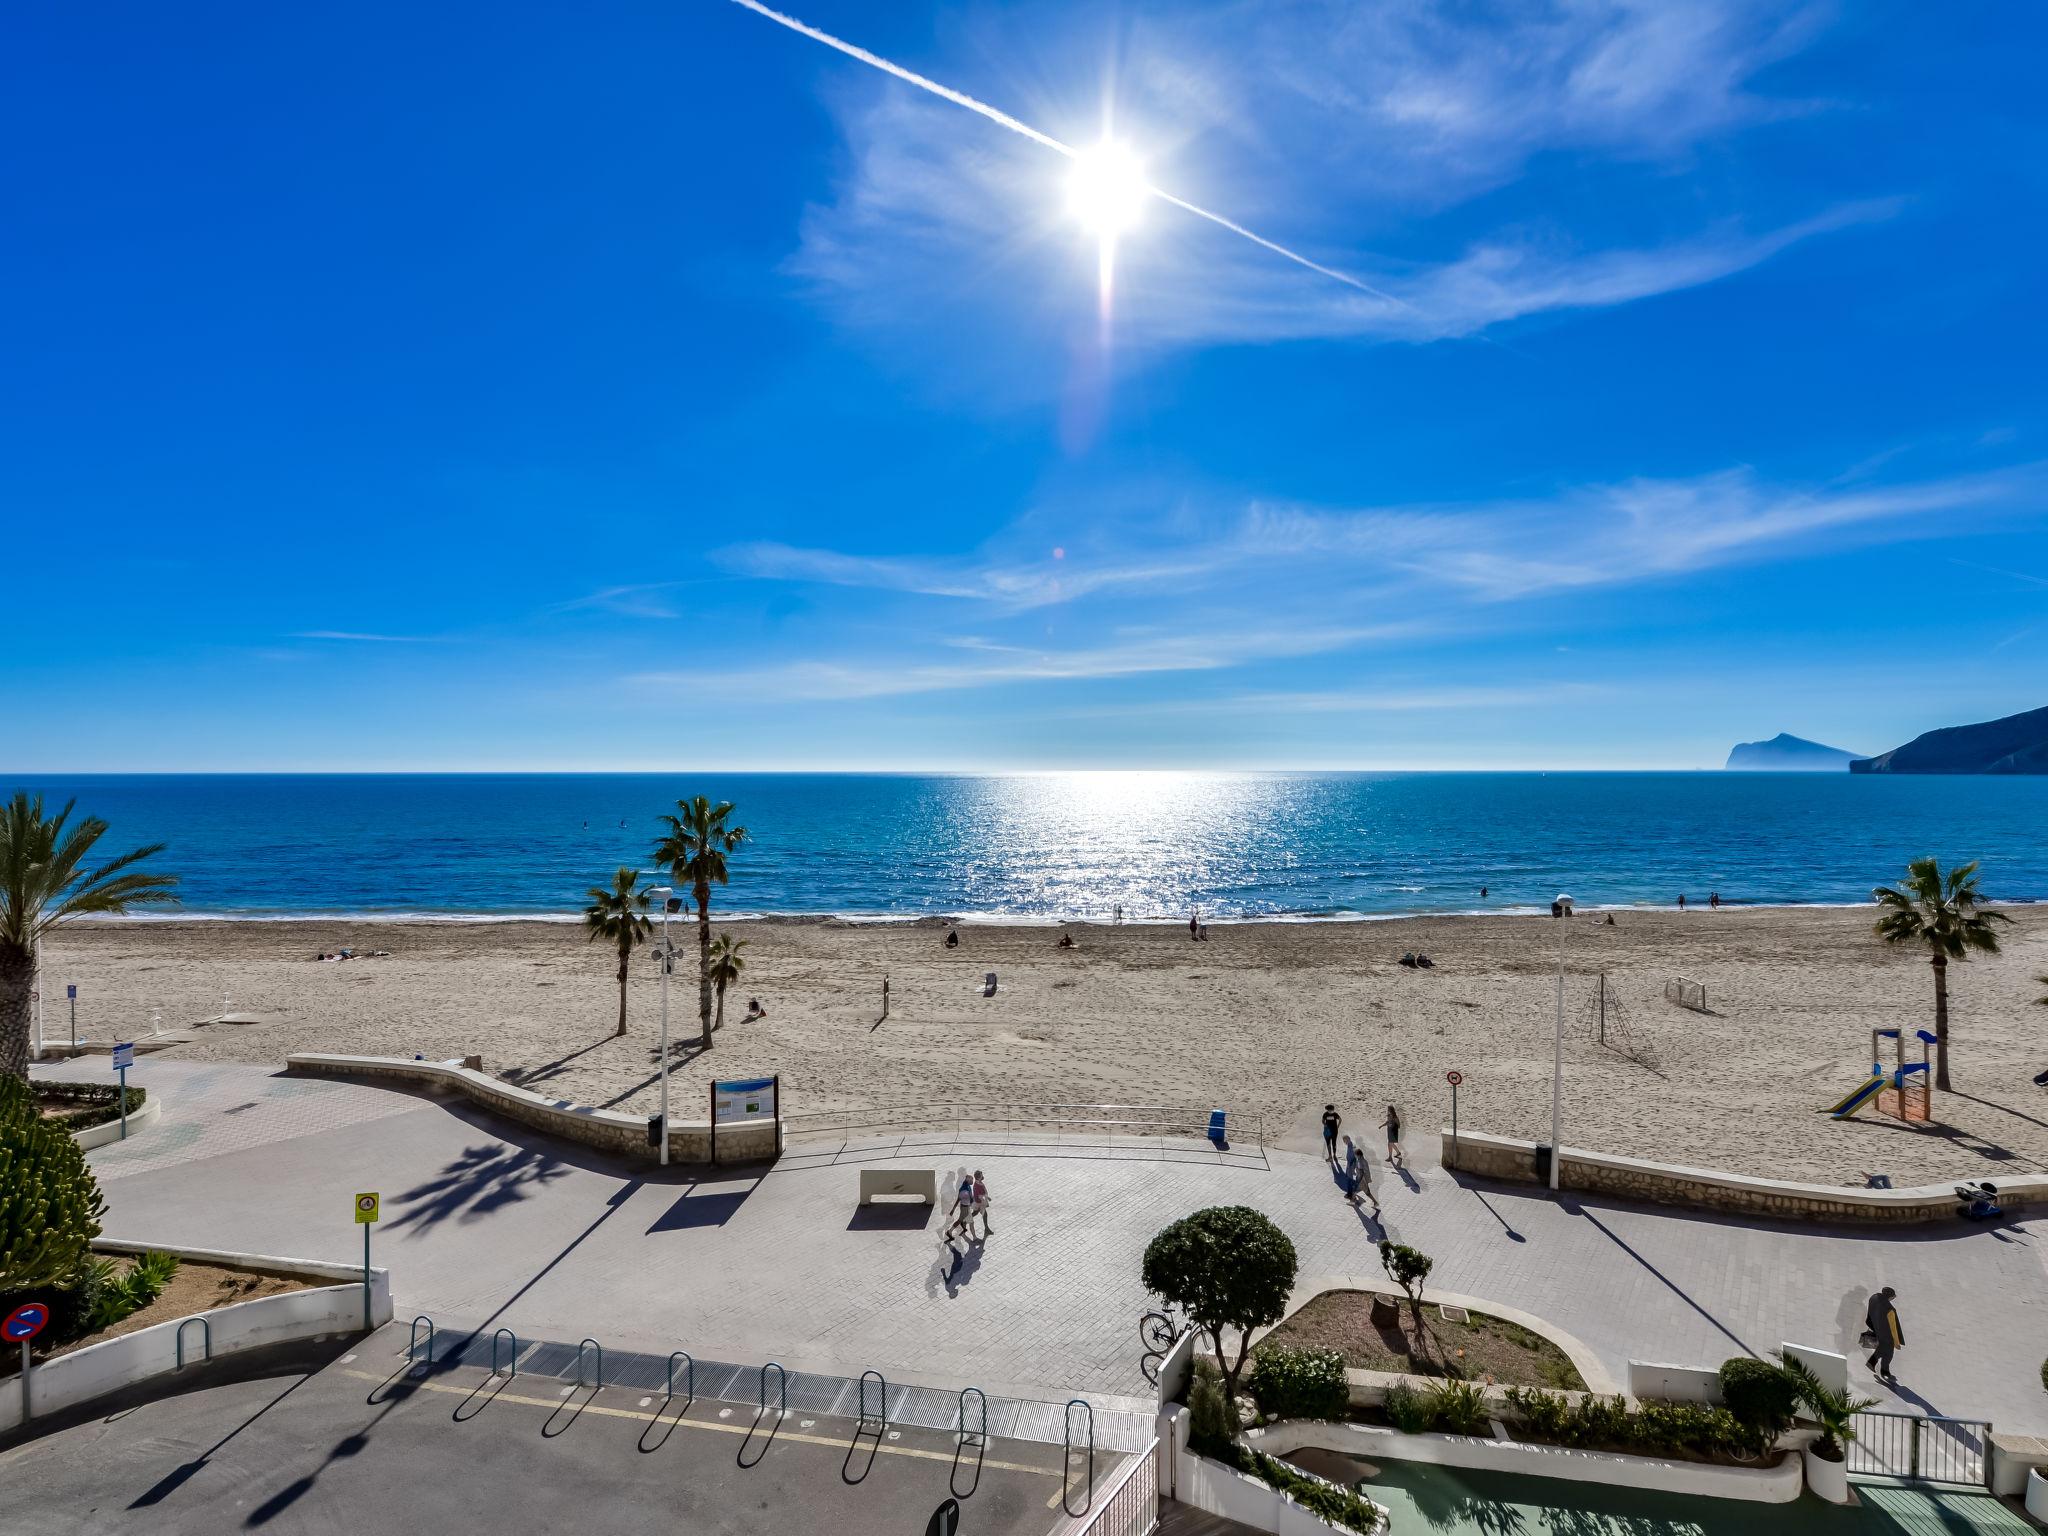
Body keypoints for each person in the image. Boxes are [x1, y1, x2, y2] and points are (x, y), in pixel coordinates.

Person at [1865, 1287, 1903, 1383]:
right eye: (1893, 1296)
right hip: (1887, 1336)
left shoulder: (1874, 1297)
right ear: (1890, 1297)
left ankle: (1872, 1362)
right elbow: (1893, 1328)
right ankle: (1885, 1373)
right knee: (1888, 1355)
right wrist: (1896, 1342)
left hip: (1875, 1329)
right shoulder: (1890, 1310)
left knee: (1881, 1348)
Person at [971, 1169, 992, 1235]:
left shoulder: (979, 1182)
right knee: (984, 1215)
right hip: (979, 1203)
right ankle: (987, 1229)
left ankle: (965, 1220)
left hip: (980, 1202)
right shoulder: (977, 1185)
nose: (982, 1176)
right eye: (981, 1175)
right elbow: (979, 1195)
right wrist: (986, 1198)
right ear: (978, 1177)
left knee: (975, 1213)